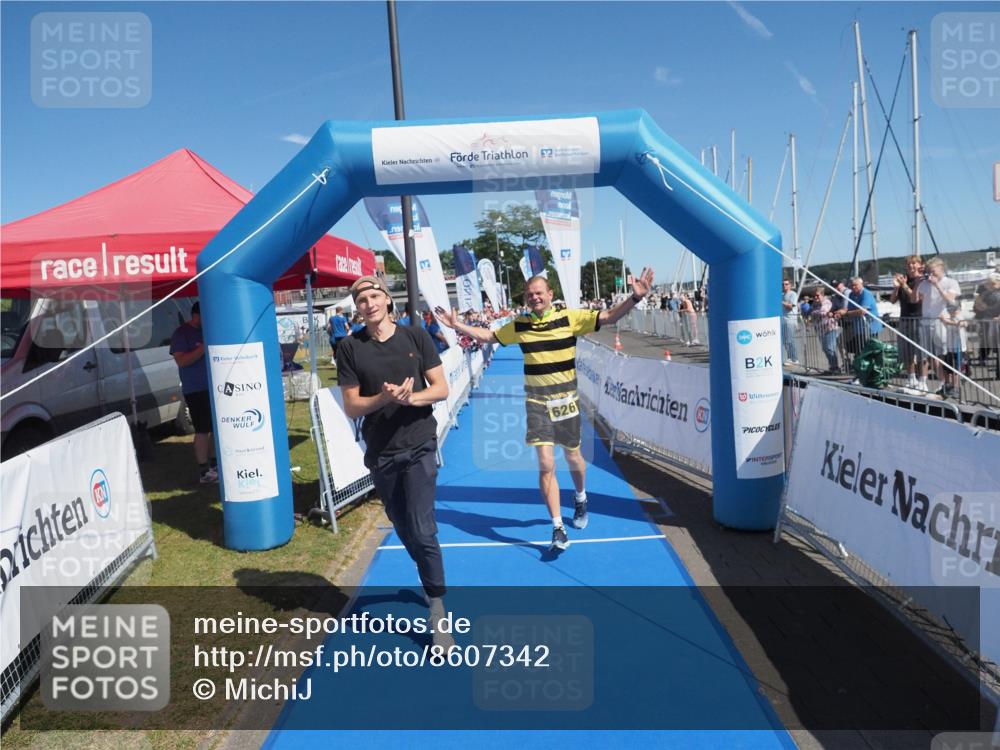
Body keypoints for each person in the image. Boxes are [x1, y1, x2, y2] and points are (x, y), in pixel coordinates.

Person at [434, 268, 655, 552]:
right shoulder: (520, 325)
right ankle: (558, 527)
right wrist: (457, 326)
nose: (534, 297)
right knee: (546, 465)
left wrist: (634, 299)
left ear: (551, 295)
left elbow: (609, 316)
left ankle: (580, 496)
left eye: (539, 293)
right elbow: (489, 336)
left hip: (567, 404)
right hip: (537, 404)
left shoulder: (570, 318)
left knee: (574, 458)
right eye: (530, 294)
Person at [335, 276, 452, 646]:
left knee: (421, 526)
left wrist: (409, 398)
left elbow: (441, 388)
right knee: (402, 527)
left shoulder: (416, 337)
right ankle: (427, 574)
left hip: (419, 442)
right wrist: (384, 400)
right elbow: (353, 405)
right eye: (360, 299)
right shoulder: (350, 347)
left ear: (387, 300)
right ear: (357, 308)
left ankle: (437, 611)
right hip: (381, 450)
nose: (368, 303)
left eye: (373, 296)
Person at [169, 302, 217, 483]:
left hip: (215, 387)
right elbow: (181, 361)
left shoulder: (209, 329)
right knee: (203, 429)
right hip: (196, 388)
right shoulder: (181, 334)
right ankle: (204, 470)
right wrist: (203, 347)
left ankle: (214, 464)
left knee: (215, 428)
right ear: (197, 315)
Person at [916, 258, 960, 392]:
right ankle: (942, 382)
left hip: (943, 322)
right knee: (929, 355)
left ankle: (951, 384)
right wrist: (917, 283)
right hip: (926, 322)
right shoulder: (925, 283)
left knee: (945, 354)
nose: (931, 273)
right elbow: (915, 299)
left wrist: (937, 285)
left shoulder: (951, 282)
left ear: (941, 268)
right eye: (929, 271)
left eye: (933, 270)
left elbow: (950, 299)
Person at [890, 255, 925, 388]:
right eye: (909, 264)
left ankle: (922, 380)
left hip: (919, 318)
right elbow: (893, 300)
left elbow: (915, 299)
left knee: (921, 352)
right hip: (904, 318)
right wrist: (896, 287)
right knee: (907, 351)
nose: (911, 266)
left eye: (914, 263)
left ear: (919, 265)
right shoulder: (903, 280)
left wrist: (904, 285)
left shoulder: (921, 280)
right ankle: (911, 378)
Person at [834, 277, 883, 371]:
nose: (853, 287)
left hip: (870, 327)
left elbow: (862, 311)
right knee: (859, 350)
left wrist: (846, 313)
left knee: (870, 350)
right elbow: (849, 308)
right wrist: (841, 311)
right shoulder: (852, 294)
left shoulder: (866, 294)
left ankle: (872, 370)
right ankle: (860, 370)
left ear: (861, 285)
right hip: (858, 328)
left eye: (855, 285)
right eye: (852, 285)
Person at [810, 286, 841, 374]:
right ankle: (832, 367)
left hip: (830, 328)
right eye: (814, 296)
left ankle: (835, 368)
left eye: (817, 295)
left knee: (829, 348)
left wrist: (813, 313)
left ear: (822, 295)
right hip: (821, 330)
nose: (815, 297)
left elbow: (823, 312)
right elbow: (810, 312)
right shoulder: (815, 304)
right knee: (825, 349)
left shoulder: (826, 302)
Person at [781, 278, 800, 364]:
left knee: (790, 340)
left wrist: (782, 302)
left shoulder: (793, 294)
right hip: (783, 320)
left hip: (790, 320)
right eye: (783, 284)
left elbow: (791, 306)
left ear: (790, 285)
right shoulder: (781, 295)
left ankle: (795, 359)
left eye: (786, 284)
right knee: (785, 340)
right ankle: (790, 357)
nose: (784, 286)